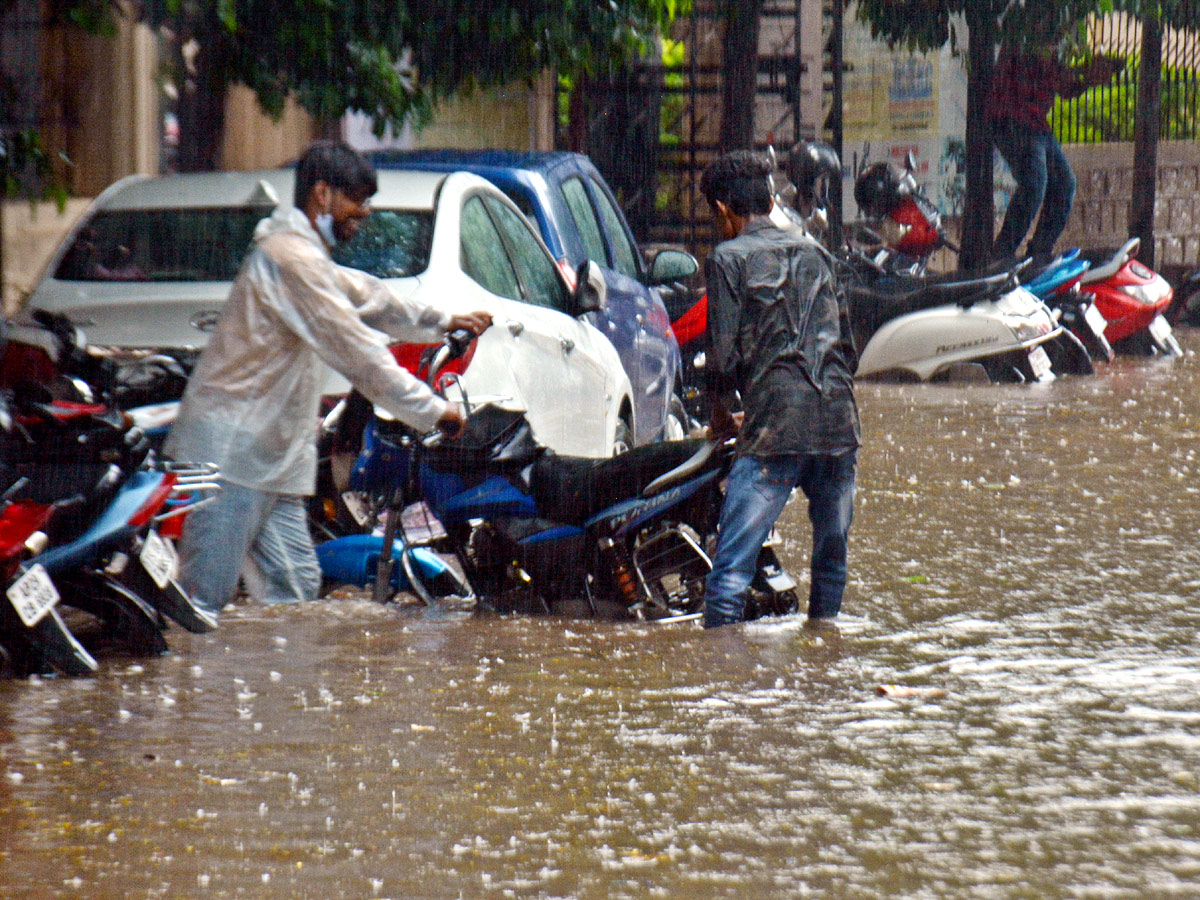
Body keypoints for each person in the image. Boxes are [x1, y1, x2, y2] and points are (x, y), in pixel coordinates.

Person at [166, 140, 492, 615]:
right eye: (356, 200)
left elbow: (368, 296)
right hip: (231, 458)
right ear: (322, 194)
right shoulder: (290, 261)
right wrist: (433, 411)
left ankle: (270, 690)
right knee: (201, 605)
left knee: (294, 597)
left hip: (269, 462)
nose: (363, 213)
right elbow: (358, 353)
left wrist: (443, 320)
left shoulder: (302, 257)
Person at [700, 150, 861, 629]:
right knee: (831, 560)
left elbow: (723, 360)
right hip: (837, 421)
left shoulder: (727, 259)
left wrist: (720, 417)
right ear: (770, 200)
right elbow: (846, 349)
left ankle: (721, 685)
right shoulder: (818, 253)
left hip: (775, 430)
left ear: (724, 209)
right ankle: (824, 656)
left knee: (730, 574)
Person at [989, 34, 1121, 263]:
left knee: (1064, 184)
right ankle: (1001, 255)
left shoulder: (1060, 37)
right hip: (1012, 118)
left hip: (1035, 122)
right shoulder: (1031, 28)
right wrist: (1085, 72)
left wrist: (1087, 77)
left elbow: (1065, 88)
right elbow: (1052, 73)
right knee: (1034, 183)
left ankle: (1039, 254)